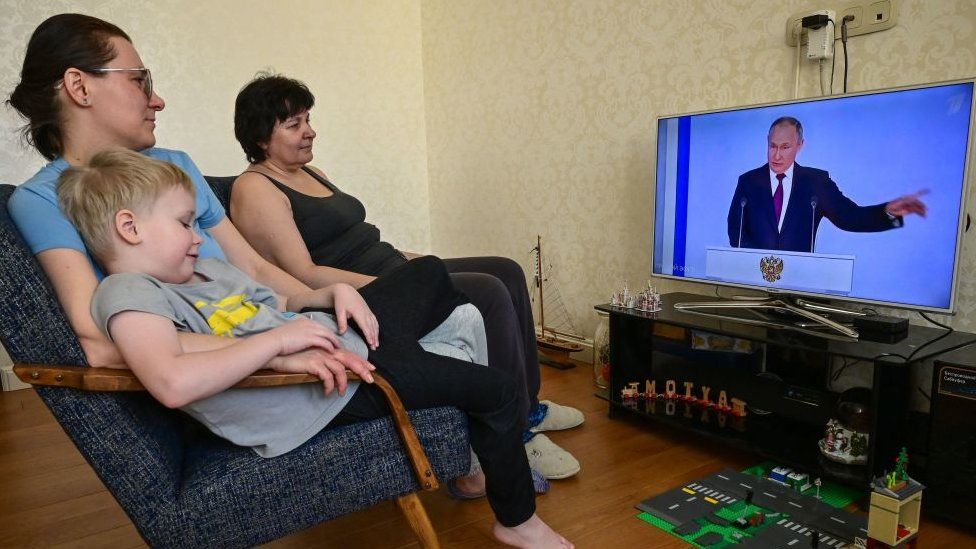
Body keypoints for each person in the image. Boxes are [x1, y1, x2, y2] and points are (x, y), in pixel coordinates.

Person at [56, 148, 573, 548]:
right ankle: (518, 521)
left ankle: (428, 372)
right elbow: (170, 381)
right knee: (497, 389)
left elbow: (282, 299)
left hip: (337, 344)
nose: (198, 237)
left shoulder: (204, 273)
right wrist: (280, 341)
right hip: (325, 392)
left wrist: (330, 294)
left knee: (430, 272)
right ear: (129, 227)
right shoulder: (128, 293)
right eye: (185, 223)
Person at [5, 13, 483, 384]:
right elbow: (95, 342)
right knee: (461, 312)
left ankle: (495, 449)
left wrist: (318, 298)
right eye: (140, 80)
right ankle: (494, 456)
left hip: (276, 323)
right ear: (79, 86)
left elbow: (252, 268)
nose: (157, 99)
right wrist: (274, 351)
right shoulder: (43, 200)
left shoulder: (177, 165)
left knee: (446, 292)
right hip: (239, 361)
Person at [231, 74, 583, 479]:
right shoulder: (254, 189)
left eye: (308, 119)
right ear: (260, 137)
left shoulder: (314, 172)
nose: (310, 131)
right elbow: (304, 273)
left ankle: (529, 403)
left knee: (505, 268)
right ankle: (517, 432)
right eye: (294, 125)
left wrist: (412, 259)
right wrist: (400, 279)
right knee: (487, 290)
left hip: (395, 268)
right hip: (370, 292)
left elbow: (360, 239)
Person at [727, 116, 928, 253]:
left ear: (800, 146)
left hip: (800, 287)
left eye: (785, 147)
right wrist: (758, 267)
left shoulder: (816, 182)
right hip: (754, 284)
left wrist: (888, 212)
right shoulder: (748, 181)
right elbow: (736, 231)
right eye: (772, 146)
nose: (777, 155)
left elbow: (850, 217)